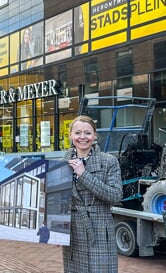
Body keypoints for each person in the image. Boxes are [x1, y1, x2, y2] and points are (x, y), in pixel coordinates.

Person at [63, 115, 122, 273]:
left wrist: (83, 175)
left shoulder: (109, 161)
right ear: (71, 136)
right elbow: (57, 201)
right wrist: (56, 231)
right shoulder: (63, 163)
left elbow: (116, 196)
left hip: (100, 229)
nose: (82, 137)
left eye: (87, 133)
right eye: (78, 133)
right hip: (73, 231)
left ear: (95, 135)